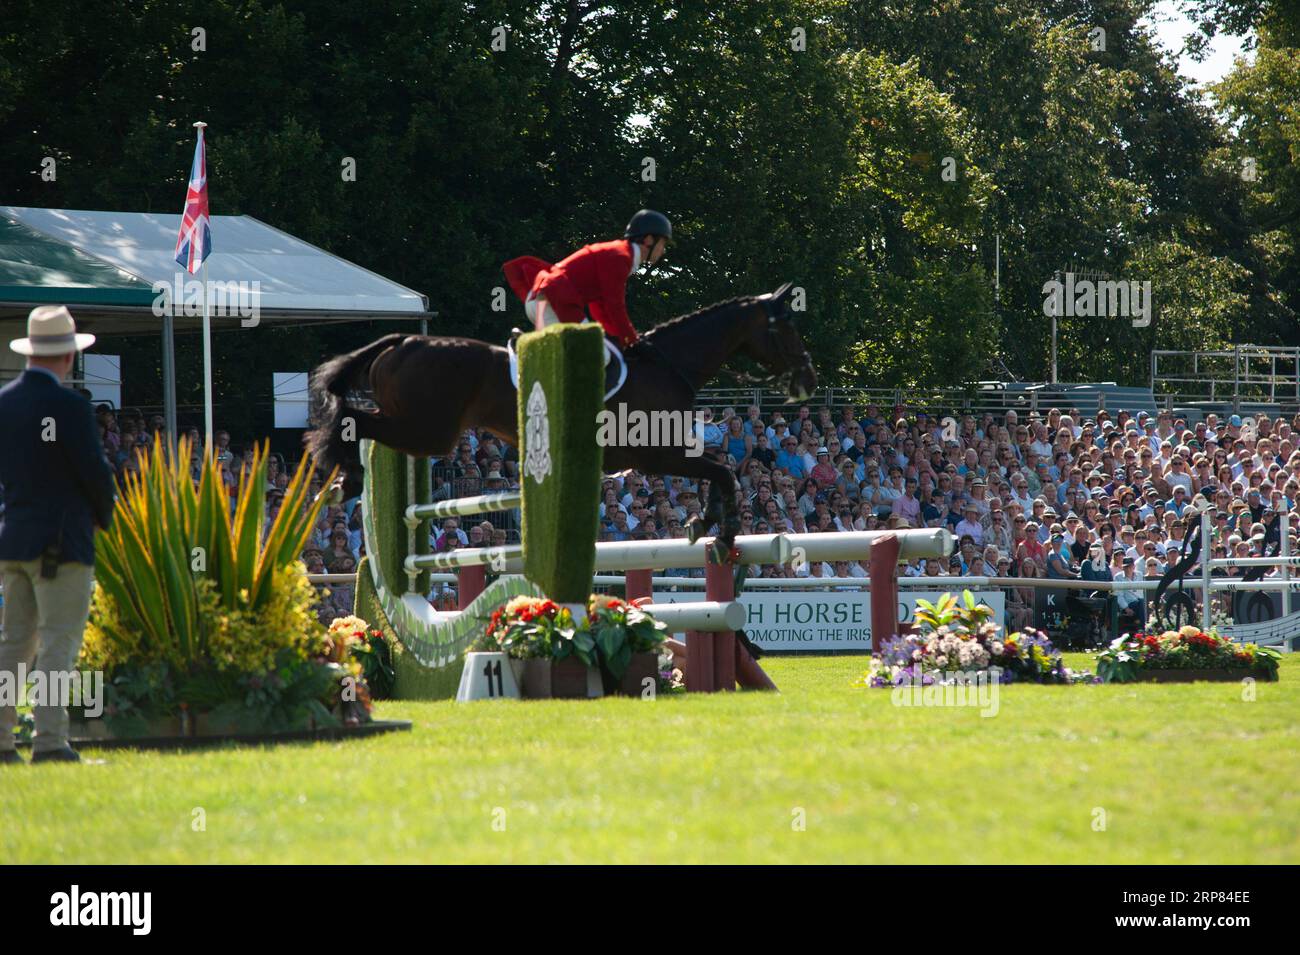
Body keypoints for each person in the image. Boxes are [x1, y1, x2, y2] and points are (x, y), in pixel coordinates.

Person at [0, 306, 116, 765]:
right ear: (68, 356)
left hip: (14, 539)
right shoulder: (70, 407)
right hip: (61, 544)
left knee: (12, 645)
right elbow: (95, 473)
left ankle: (3, 741)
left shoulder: (4, 403)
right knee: (57, 644)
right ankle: (49, 741)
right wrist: (105, 519)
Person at [501, 209, 671, 348]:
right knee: (598, 355)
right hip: (554, 303)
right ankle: (527, 351)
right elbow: (615, 305)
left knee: (598, 346)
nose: (663, 251)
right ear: (649, 240)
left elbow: (599, 305)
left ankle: (528, 347)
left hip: (544, 300)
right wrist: (631, 339)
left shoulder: (620, 254)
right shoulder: (620, 256)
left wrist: (616, 336)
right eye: (663, 243)